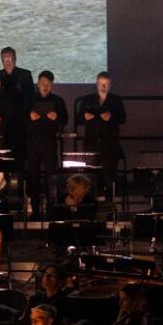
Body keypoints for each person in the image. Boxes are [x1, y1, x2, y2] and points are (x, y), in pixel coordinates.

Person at [75, 72, 126, 195]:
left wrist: (111, 117)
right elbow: (78, 119)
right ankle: (92, 208)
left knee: (110, 177)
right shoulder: (88, 100)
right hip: (91, 143)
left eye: (106, 84)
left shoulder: (116, 100)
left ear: (110, 85)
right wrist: (85, 117)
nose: (104, 87)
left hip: (110, 144)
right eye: (101, 84)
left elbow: (122, 119)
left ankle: (110, 208)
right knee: (91, 178)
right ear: (97, 84)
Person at [26, 70, 67, 216]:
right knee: (33, 176)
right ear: (37, 84)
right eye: (42, 83)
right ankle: (35, 209)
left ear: (52, 85)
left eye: (48, 84)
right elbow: (21, 121)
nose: (45, 86)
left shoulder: (57, 100)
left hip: (50, 141)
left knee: (51, 175)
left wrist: (56, 116)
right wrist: (29, 116)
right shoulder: (29, 99)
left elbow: (65, 120)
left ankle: (52, 207)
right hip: (32, 142)